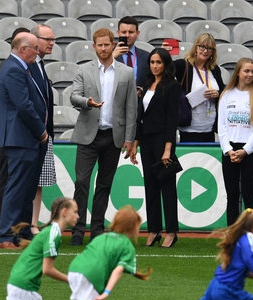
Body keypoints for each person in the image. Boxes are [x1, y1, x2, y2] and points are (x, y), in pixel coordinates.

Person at [69, 28, 137, 246]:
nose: (104, 48)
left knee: (104, 185)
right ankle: (78, 230)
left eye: (107, 44)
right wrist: (87, 102)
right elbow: (73, 96)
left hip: (114, 137)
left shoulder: (126, 72)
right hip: (88, 134)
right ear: (94, 46)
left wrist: (129, 138)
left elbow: (131, 108)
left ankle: (96, 230)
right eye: (100, 45)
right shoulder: (83, 70)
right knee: (81, 183)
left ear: (113, 44)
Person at [0, 32, 49, 250]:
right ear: (23, 49)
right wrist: (41, 131)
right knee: (17, 188)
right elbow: (24, 105)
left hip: (23, 138)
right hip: (20, 137)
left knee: (25, 189)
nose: (38, 51)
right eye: (35, 48)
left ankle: (21, 232)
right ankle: (6, 236)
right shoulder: (14, 69)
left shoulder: (17, 68)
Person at [132, 48, 181, 248]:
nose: (155, 66)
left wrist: (168, 149)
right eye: (152, 62)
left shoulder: (172, 86)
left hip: (163, 140)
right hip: (146, 140)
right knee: (150, 186)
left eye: (159, 62)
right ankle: (154, 230)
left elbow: (172, 120)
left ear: (166, 64)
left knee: (167, 188)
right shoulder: (145, 84)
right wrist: (135, 142)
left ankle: (171, 231)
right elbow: (140, 116)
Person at [0, 27, 31, 241]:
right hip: (8, 137)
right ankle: (0, 230)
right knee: (5, 185)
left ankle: (9, 231)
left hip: (15, 137)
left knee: (13, 186)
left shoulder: (25, 68)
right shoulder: (5, 68)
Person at [217, 57, 253, 226]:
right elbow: (221, 126)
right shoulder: (226, 95)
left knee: (248, 195)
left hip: (248, 151)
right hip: (229, 150)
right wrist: (228, 150)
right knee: (232, 195)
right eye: (247, 71)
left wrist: (245, 150)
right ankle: (233, 233)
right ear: (238, 72)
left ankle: (252, 233)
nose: (250, 74)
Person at [30, 24, 58, 236]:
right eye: (47, 39)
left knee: (38, 181)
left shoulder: (41, 65)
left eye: (52, 40)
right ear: (34, 39)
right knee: (26, 181)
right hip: (31, 134)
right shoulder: (27, 65)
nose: (51, 43)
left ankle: (32, 223)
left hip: (43, 135)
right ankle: (26, 223)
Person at [172, 33, 225, 143]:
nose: (205, 51)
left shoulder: (214, 69)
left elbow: (223, 89)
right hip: (189, 126)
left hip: (209, 125)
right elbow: (166, 69)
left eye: (209, 48)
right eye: (202, 47)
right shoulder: (184, 65)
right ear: (196, 47)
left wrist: (217, 93)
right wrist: (165, 53)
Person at [113, 16, 150, 91]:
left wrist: (143, 89)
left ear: (137, 33)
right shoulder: (108, 55)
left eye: (131, 32)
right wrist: (111, 58)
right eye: (124, 32)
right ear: (118, 33)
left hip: (138, 100)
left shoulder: (147, 56)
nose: (127, 35)